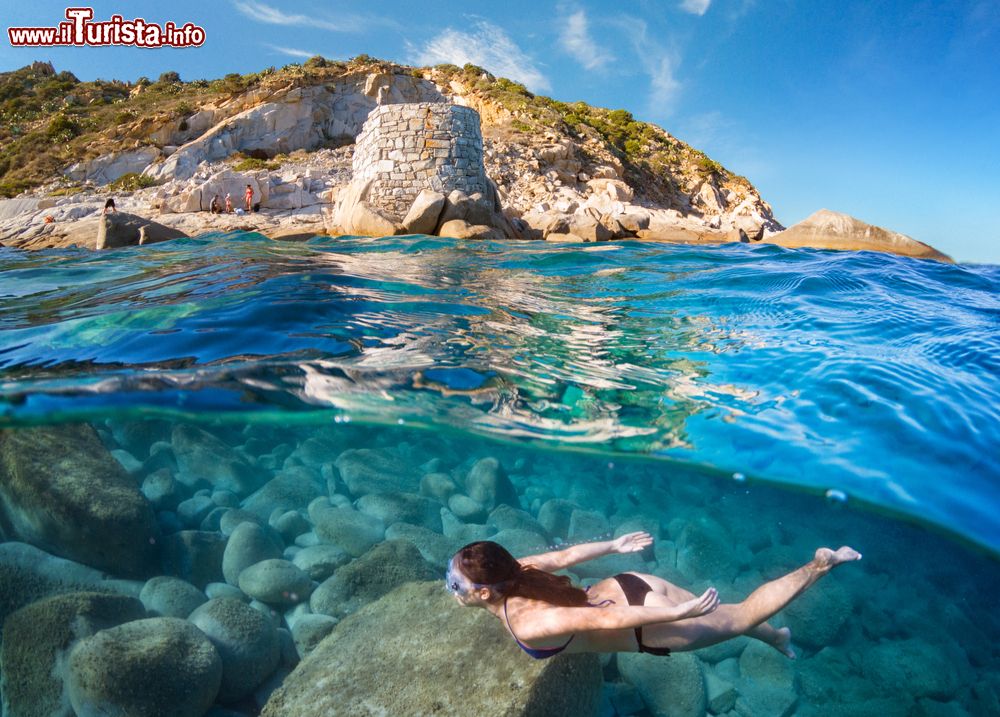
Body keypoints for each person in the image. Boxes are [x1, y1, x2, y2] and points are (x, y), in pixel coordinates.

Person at [446, 533, 861, 659]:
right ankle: (778, 638)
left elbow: (605, 621)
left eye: (455, 585)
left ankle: (821, 564)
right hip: (631, 582)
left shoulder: (530, 622)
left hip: (649, 625)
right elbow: (568, 555)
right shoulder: (518, 569)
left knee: (742, 615)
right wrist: (613, 545)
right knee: (735, 618)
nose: (451, 588)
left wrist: (678, 613)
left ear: (484, 592)